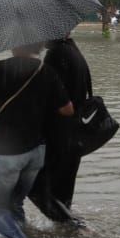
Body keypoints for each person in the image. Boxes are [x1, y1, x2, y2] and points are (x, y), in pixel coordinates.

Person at [0, 43, 75, 238]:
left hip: (6, 152)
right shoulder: (46, 70)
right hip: (36, 151)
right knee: (14, 202)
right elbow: (67, 110)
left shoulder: (1, 68)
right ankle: (22, 237)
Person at [28, 34, 94, 226]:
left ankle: (76, 228)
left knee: (33, 186)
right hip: (74, 135)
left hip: (59, 135)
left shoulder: (56, 54)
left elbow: (50, 97)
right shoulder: (73, 51)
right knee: (62, 193)